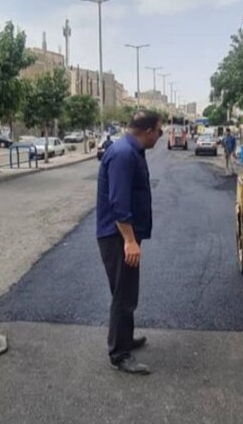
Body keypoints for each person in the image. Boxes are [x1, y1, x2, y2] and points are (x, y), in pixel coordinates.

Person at [96, 109, 163, 375]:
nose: (160, 136)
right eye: (158, 131)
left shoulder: (131, 150)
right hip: (117, 237)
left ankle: (126, 338)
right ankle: (119, 354)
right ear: (147, 131)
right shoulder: (124, 154)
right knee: (123, 295)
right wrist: (129, 241)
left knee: (127, 292)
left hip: (123, 235)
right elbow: (118, 203)